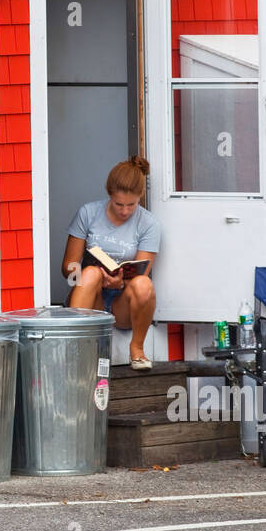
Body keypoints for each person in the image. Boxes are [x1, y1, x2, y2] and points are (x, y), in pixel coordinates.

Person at [62, 155, 159, 370]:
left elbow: (142, 272)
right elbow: (68, 267)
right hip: (90, 296)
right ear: (109, 194)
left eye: (131, 205)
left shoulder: (149, 223)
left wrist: (120, 283)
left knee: (145, 285)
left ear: (140, 197)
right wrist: (88, 271)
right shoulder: (88, 213)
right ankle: (75, 350)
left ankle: (137, 349)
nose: (124, 211)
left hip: (122, 304)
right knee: (90, 273)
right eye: (118, 204)